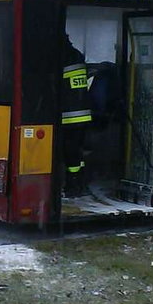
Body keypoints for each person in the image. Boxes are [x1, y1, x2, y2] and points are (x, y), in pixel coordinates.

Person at [60, 32, 92, 197]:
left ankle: (73, 186)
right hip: (83, 115)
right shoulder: (76, 54)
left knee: (70, 152)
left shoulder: (61, 57)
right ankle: (79, 183)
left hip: (68, 116)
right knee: (76, 151)